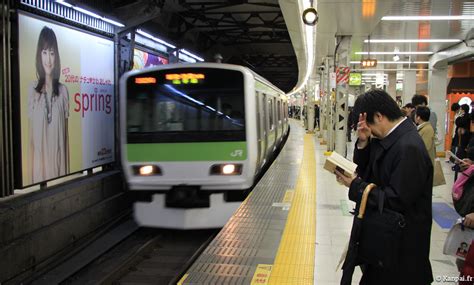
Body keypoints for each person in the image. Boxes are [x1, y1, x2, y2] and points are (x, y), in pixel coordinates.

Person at [335, 89, 433, 285]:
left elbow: (395, 200)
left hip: (401, 257)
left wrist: (356, 186)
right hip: (385, 245)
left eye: (368, 123)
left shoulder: (409, 148)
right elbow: (368, 172)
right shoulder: (391, 139)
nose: (369, 130)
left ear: (379, 116)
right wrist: (363, 142)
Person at [29, 26, 69, 183]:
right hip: (39, 175)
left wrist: (66, 177)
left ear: (56, 56)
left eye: (52, 53)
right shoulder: (32, 91)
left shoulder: (63, 91)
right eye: (44, 52)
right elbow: (30, 142)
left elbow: (65, 140)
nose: (48, 59)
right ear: (39, 55)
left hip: (59, 172)